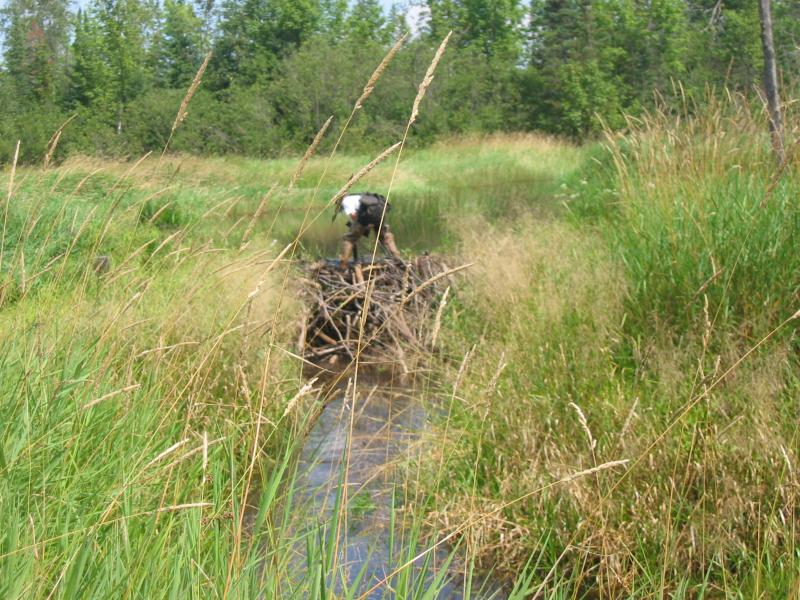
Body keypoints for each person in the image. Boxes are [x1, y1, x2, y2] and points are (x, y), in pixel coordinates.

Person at [338, 192, 402, 269]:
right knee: (385, 237)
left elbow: (354, 216)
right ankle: (398, 259)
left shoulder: (346, 201)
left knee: (349, 239)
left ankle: (343, 265)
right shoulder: (360, 196)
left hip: (367, 215)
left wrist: (361, 227)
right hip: (381, 210)